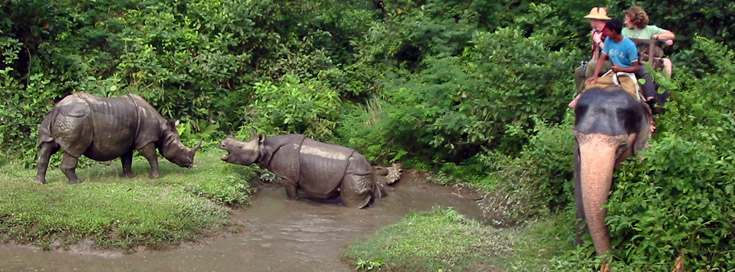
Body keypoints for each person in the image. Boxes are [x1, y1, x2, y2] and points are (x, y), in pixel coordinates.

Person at [584, 18, 656, 102]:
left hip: (626, 74)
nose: (606, 33)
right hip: (613, 74)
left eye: (608, 31)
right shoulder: (608, 40)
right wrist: (595, 76)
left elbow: (636, 68)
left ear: (614, 31)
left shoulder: (629, 45)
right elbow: (602, 58)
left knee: (632, 98)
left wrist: (621, 69)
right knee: (590, 85)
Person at [623, 6, 676, 78]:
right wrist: (636, 42)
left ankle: (665, 86)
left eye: (627, 19)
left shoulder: (650, 29)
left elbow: (671, 35)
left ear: (634, 20)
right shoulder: (625, 31)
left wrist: (657, 36)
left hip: (650, 58)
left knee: (667, 62)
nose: (625, 22)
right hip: (635, 60)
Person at [573, 7, 612, 94]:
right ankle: (579, 94)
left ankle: (585, 93)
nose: (590, 21)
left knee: (591, 66)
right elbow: (595, 53)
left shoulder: (609, 32)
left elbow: (611, 52)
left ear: (596, 20)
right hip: (599, 61)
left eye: (591, 19)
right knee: (579, 71)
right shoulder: (596, 32)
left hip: (610, 62)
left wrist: (598, 41)